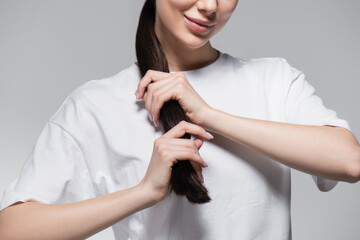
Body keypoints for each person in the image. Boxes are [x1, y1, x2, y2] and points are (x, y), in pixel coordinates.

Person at [0, 0, 359, 239]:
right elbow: (12, 229)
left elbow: (349, 161)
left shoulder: (275, 80)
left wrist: (210, 115)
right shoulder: (94, 105)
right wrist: (144, 193)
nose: (209, 6)